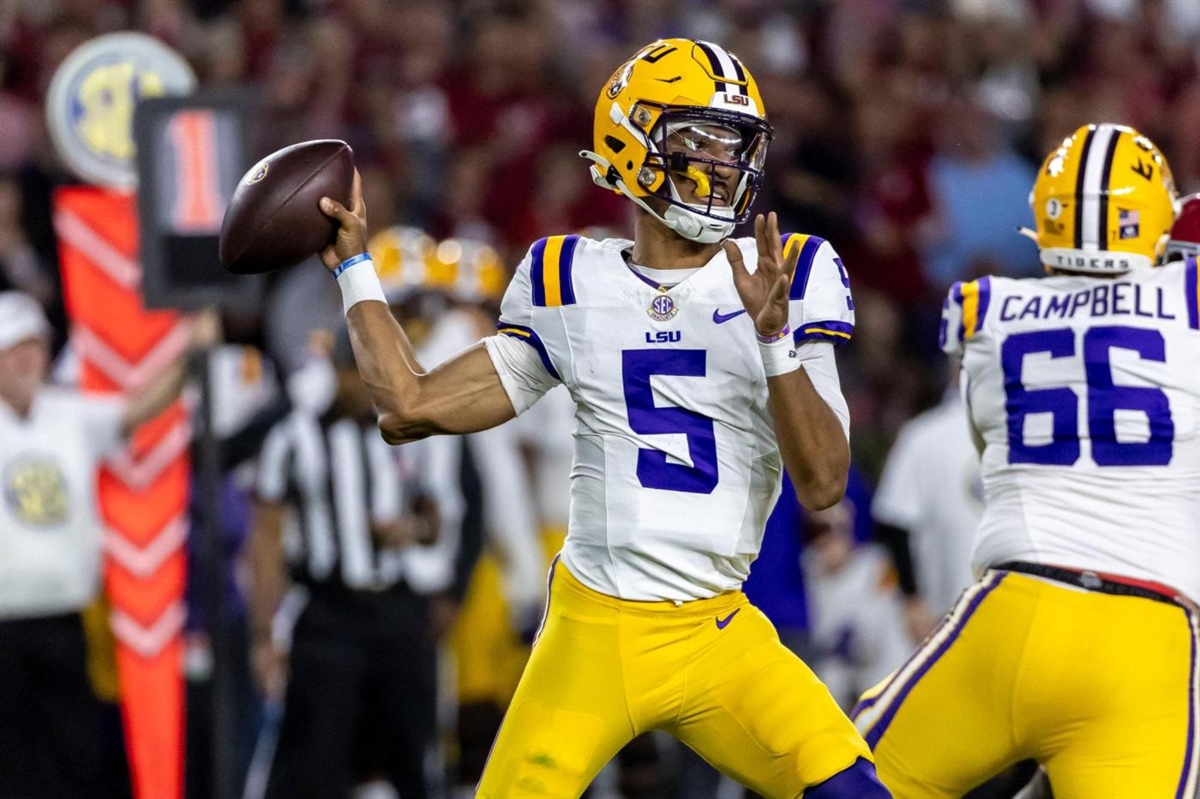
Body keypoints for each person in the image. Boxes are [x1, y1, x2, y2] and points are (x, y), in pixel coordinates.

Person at [319, 38, 888, 799]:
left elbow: (822, 483)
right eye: (699, 141)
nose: (725, 166)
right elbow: (408, 406)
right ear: (632, 142)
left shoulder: (786, 272)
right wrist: (356, 269)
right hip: (593, 629)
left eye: (735, 144)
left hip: (717, 627)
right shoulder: (571, 279)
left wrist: (773, 337)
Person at [853, 123, 1199, 797]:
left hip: (1014, 607)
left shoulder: (989, 308)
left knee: (838, 778)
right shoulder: (1189, 303)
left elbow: (990, 456)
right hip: (1147, 632)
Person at [0, 290, 216, 798]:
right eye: (13, 349)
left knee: (72, 755)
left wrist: (192, 355)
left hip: (66, 619)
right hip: (3, 625)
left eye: (32, 346)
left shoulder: (69, 414)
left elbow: (137, 410)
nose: (25, 358)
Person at [247, 325, 449, 799]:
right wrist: (263, 634)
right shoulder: (294, 436)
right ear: (337, 374)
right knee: (315, 755)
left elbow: (435, 517)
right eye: (362, 374)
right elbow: (265, 539)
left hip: (397, 609)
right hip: (329, 615)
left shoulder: (406, 428)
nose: (371, 385)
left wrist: (411, 531)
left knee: (412, 753)